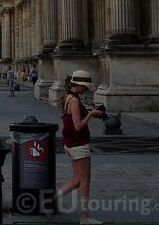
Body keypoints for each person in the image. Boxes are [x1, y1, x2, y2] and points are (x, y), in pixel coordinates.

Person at [53, 71, 104, 224]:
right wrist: (91, 114)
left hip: (70, 143)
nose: (86, 90)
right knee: (85, 181)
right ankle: (85, 218)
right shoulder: (74, 101)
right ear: (79, 85)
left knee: (76, 180)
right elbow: (78, 126)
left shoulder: (67, 97)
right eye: (85, 87)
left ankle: (51, 200)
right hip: (78, 144)